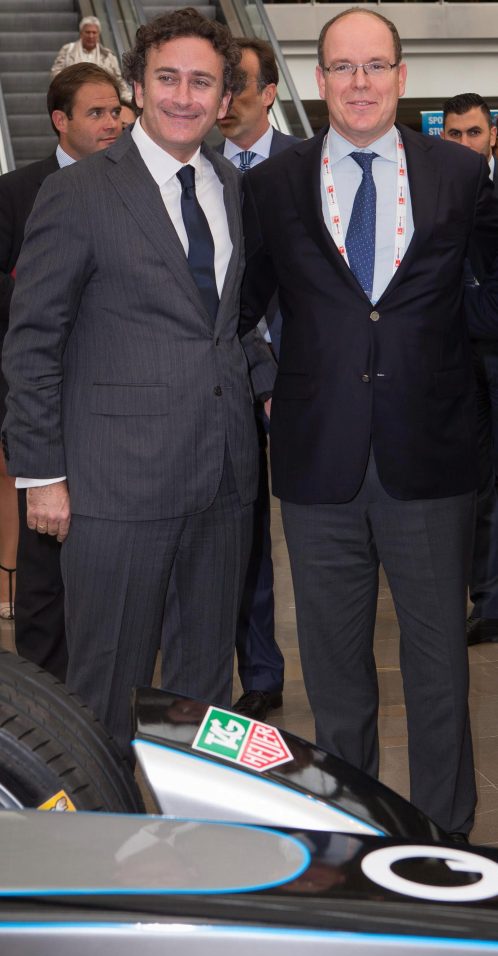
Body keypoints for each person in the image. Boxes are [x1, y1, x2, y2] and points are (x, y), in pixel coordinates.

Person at [239, 7, 498, 840]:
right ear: (319, 81)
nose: (360, 83)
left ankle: (446, 846)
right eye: (343, 68)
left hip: (432, 458)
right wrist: (268, 382)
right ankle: (352, 841)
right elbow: (238, 312)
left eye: (375, 66)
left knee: (436, 673)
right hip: (318, 465)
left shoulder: (460, 177)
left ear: (400, 76)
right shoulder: (272, 186)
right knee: (336, 676)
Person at [2, 9, 274, 755]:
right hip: (115, 489)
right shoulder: (82, 191)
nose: (184, 97)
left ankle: (185, 847)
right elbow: (32, 343)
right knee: (106, 690)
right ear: (137, 89)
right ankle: (102, 854)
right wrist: (42, 474)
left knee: (201, 694)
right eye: (168, 79)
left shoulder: (227, 185)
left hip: (222, 482)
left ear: (226, 100)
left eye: (202, 83)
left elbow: (226, 325)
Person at [0, 63, 123, 678]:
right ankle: (45, 699)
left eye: (117, 110)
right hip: (47, 404)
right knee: (46, 563)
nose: (113, 122)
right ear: (60, 120)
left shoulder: (137, 186)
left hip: (119, 409)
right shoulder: (18, 191)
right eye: (97, 112)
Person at [215, 37, 299, 721]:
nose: (226, 95)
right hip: (229, 378)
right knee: (242, 533)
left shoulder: (309, 168)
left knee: (319, 529)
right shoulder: (199, 172)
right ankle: (260, 672)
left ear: (269, 93)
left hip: (313, 380)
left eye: (237, 81)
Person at [441, 93, 498, 648]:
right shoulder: (436, 197)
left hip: (490, 351)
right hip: (458, 365)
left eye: (473, 133)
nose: (464, 144)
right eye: (454, 135)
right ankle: (489, 598)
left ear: (491, 136)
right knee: (478, 485)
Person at [50, 15, 130, 103]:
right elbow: (56, 74)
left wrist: (128, 100)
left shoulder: (108, 56)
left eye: (94, 32)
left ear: (98, 34)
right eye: (87, 32)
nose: (91, 36)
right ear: (81, 33)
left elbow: (118, 81)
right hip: (72, 100)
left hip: (100, 101)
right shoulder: (67, 51)